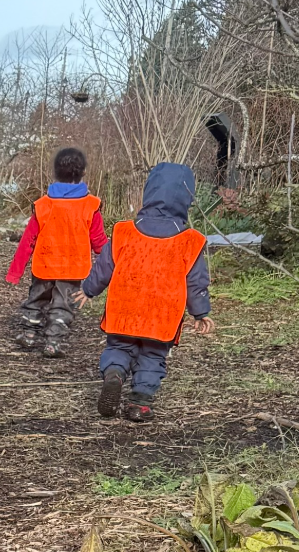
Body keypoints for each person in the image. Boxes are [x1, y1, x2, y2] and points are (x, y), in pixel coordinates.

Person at [75, 162, 215, 422]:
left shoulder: (123, 231)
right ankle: (139, 403)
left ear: (148, 192)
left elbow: (105, 266)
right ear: (188, 197)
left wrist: (88, 289)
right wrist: (201, 312)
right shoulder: (191, 240)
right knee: (152, 355)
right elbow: (196, 282)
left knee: (119, 347)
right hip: (162, 314)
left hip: (124, 308)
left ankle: (115, 373)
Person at [6, 147, 107, 358]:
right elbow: (98, 241)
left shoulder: (43, 205)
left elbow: (28, 241)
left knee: (36, 299)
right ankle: (52, 343)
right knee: (63, 306)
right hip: (73, 268)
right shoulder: (91, 205)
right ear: (82, 173)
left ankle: (29, 334)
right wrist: (110, 259)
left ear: (55, 172)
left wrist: (15, 272)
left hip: (44, 265)